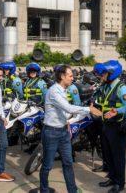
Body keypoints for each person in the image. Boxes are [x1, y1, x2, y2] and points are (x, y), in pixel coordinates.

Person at [38, 64, 102, 193]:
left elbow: (63, 111)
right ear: (62, 76)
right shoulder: (54, 91)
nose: (73, 78)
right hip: (51, 132)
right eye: (70, 75)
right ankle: (44, 190)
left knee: (68, 163)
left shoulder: (64, 90)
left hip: (63, 132)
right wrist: (88, 109)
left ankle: (72, 190)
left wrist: (66, 121)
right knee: (47, 165)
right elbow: (68, 108)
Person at [94, 60, 126, 193]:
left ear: (111, 74)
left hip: (118, 128)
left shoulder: (122, 89)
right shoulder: (106, 87)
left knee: (118, 157)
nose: (101, 76)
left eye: (104, 74)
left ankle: (119, 183)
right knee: (108, 154)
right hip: (106, 126)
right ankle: (112, 177)